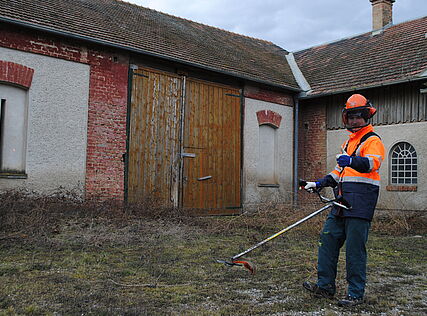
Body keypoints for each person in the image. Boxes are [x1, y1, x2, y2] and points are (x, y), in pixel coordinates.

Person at [302, 94, 385, 307]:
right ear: (345, 118)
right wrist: (318, 184)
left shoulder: (373, 140)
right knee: (327, 242)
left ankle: (355, 294)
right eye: (351, 116)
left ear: (367, 116)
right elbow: (337, 173)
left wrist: (352, 160)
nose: (355, 120)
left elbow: (371, 164)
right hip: (341, 203)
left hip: (360, 205)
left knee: (354, 250)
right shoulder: (348, 143)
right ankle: (325, 286)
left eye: (359, 116)